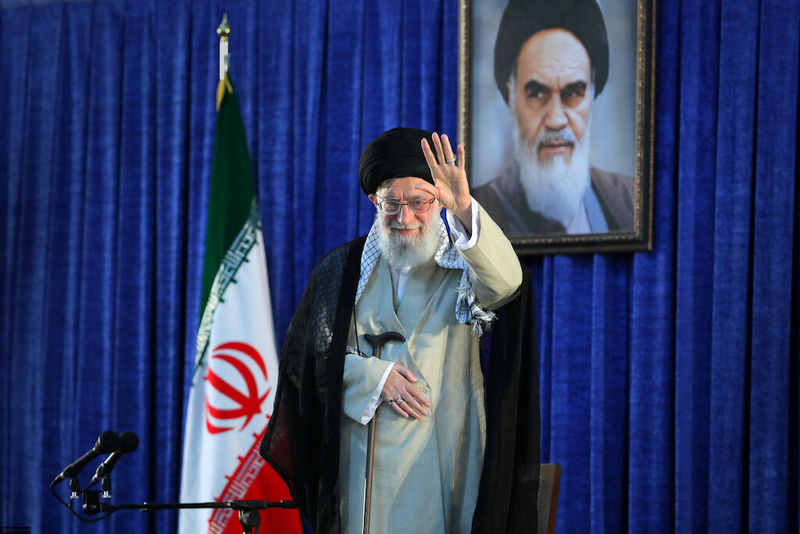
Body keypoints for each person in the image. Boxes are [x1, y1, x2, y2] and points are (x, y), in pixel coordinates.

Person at [260, 127, 540, 533]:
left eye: (420, 202)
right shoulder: (340, 270)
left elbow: (507, 285)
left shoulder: (467, 263)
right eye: (392, 203)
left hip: (445, 459)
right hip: (361, 474)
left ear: (438, 200)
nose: (405, 217)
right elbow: (306, 361)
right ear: (375, 201)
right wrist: (372, 377)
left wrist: (463, 208)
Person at [472, 0, 634, 236]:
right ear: (511, 97)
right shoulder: (478, 212)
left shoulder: (629, 200)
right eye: (537, 93)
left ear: (591, 95)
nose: (556, 120)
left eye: (573, 93)